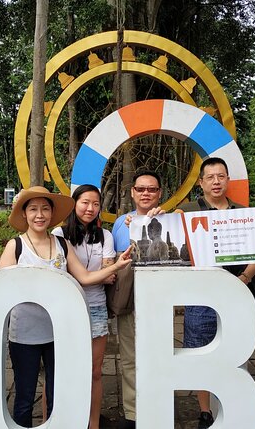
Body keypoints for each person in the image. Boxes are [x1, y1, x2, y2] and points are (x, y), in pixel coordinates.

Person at [0, 186, 132, 428]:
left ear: (52, 214)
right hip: (24, 334)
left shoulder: (61, 244)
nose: (40, 215)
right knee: (24, 397)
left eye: (45, 209)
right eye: (33, 209)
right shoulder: (15, 246)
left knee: (56, 393)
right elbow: (0, 292)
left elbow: (83, 277)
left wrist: (117, 266)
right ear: (25, 214)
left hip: (57, 333)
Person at [175, 157, 255, 429]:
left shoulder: (242, 213)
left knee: (236, 354)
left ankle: (232, 407)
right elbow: (171, 240)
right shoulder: (185, 211)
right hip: (199, 297)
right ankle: (205, 412)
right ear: (200, 182)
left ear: (227, 180)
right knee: (200, 353)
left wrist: (245, 277)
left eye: (220, 176)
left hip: (235, 295)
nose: (215, 182)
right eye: (209, 177)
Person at [51, 184, 116, 429]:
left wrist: (90, 274)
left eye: (95, 204)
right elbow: (61, 270)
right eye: (85, 202)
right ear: (74, 204)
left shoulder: (105, 236)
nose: (90, 208)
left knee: (95, 371)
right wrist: (96, 274)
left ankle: (93, 422)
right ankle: (57, 419)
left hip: (96, 307)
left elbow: (110, 276)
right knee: (61, 370)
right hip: (66, 307)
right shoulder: (59, 234)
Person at [111, 170, 164, 429]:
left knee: (159, 355)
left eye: (151, 189)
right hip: (129, 299)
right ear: (132, 192)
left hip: (160, 301)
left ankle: (158, 405)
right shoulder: (121, 223)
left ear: (159, 193)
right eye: (141, 189)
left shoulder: (171, 219)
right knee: (130, 356)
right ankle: (132, 412)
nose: (146, 193)